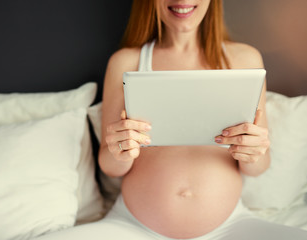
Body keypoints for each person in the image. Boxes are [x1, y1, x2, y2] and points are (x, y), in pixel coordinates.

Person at [37, 0, 307, 239]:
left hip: (230, 227)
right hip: (132, 227)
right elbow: (110, 166)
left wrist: (253, 151)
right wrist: (120, 152)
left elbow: (259, 166)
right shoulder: (126, 62)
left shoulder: (244, 59)